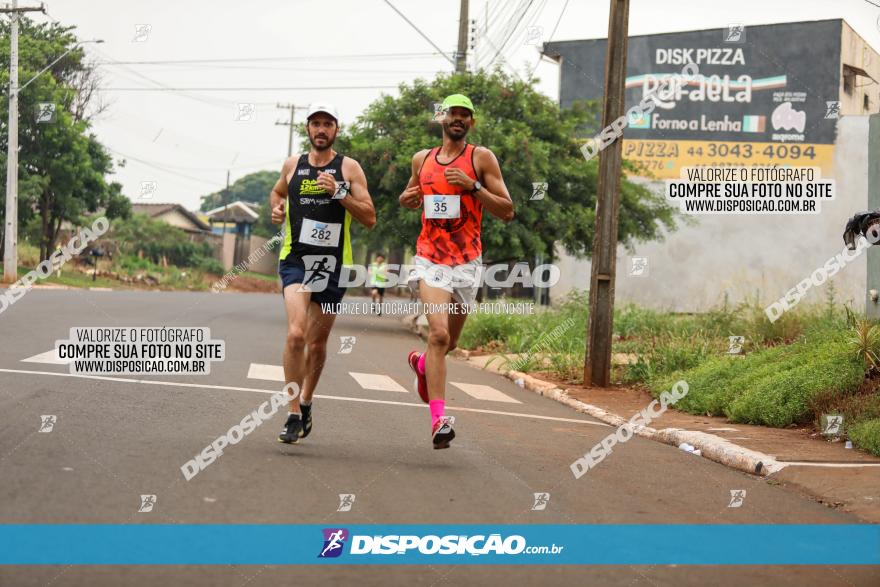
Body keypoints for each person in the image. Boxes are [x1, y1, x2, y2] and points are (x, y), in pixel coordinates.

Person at [398, 94, 514, 449]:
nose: (458, 119)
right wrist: (408, 198)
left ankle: (421, 366)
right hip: (430, 258)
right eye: (453, 113)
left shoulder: (481, 158)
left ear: (471, 123)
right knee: (438, 336)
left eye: (465, 115)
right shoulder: (422, 159)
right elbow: (409, 195)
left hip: (466, 261)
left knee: (452, 340)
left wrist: (473, 186)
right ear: (441, 118)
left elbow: (507, 210)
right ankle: (438, 421)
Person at [270, 103, 376, 443]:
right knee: (295, 334)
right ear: (307, 129)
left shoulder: (349, 167)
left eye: (327, 124)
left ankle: (307, 400)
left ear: (336, 130)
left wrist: (339, 191)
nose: (321, 129)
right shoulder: (292, 165)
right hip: (296, 260)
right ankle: (291, 413)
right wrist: (277, 206)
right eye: (315, 123)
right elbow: (277, 191)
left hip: (331, 266)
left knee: (316, 344)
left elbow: (369, 217)